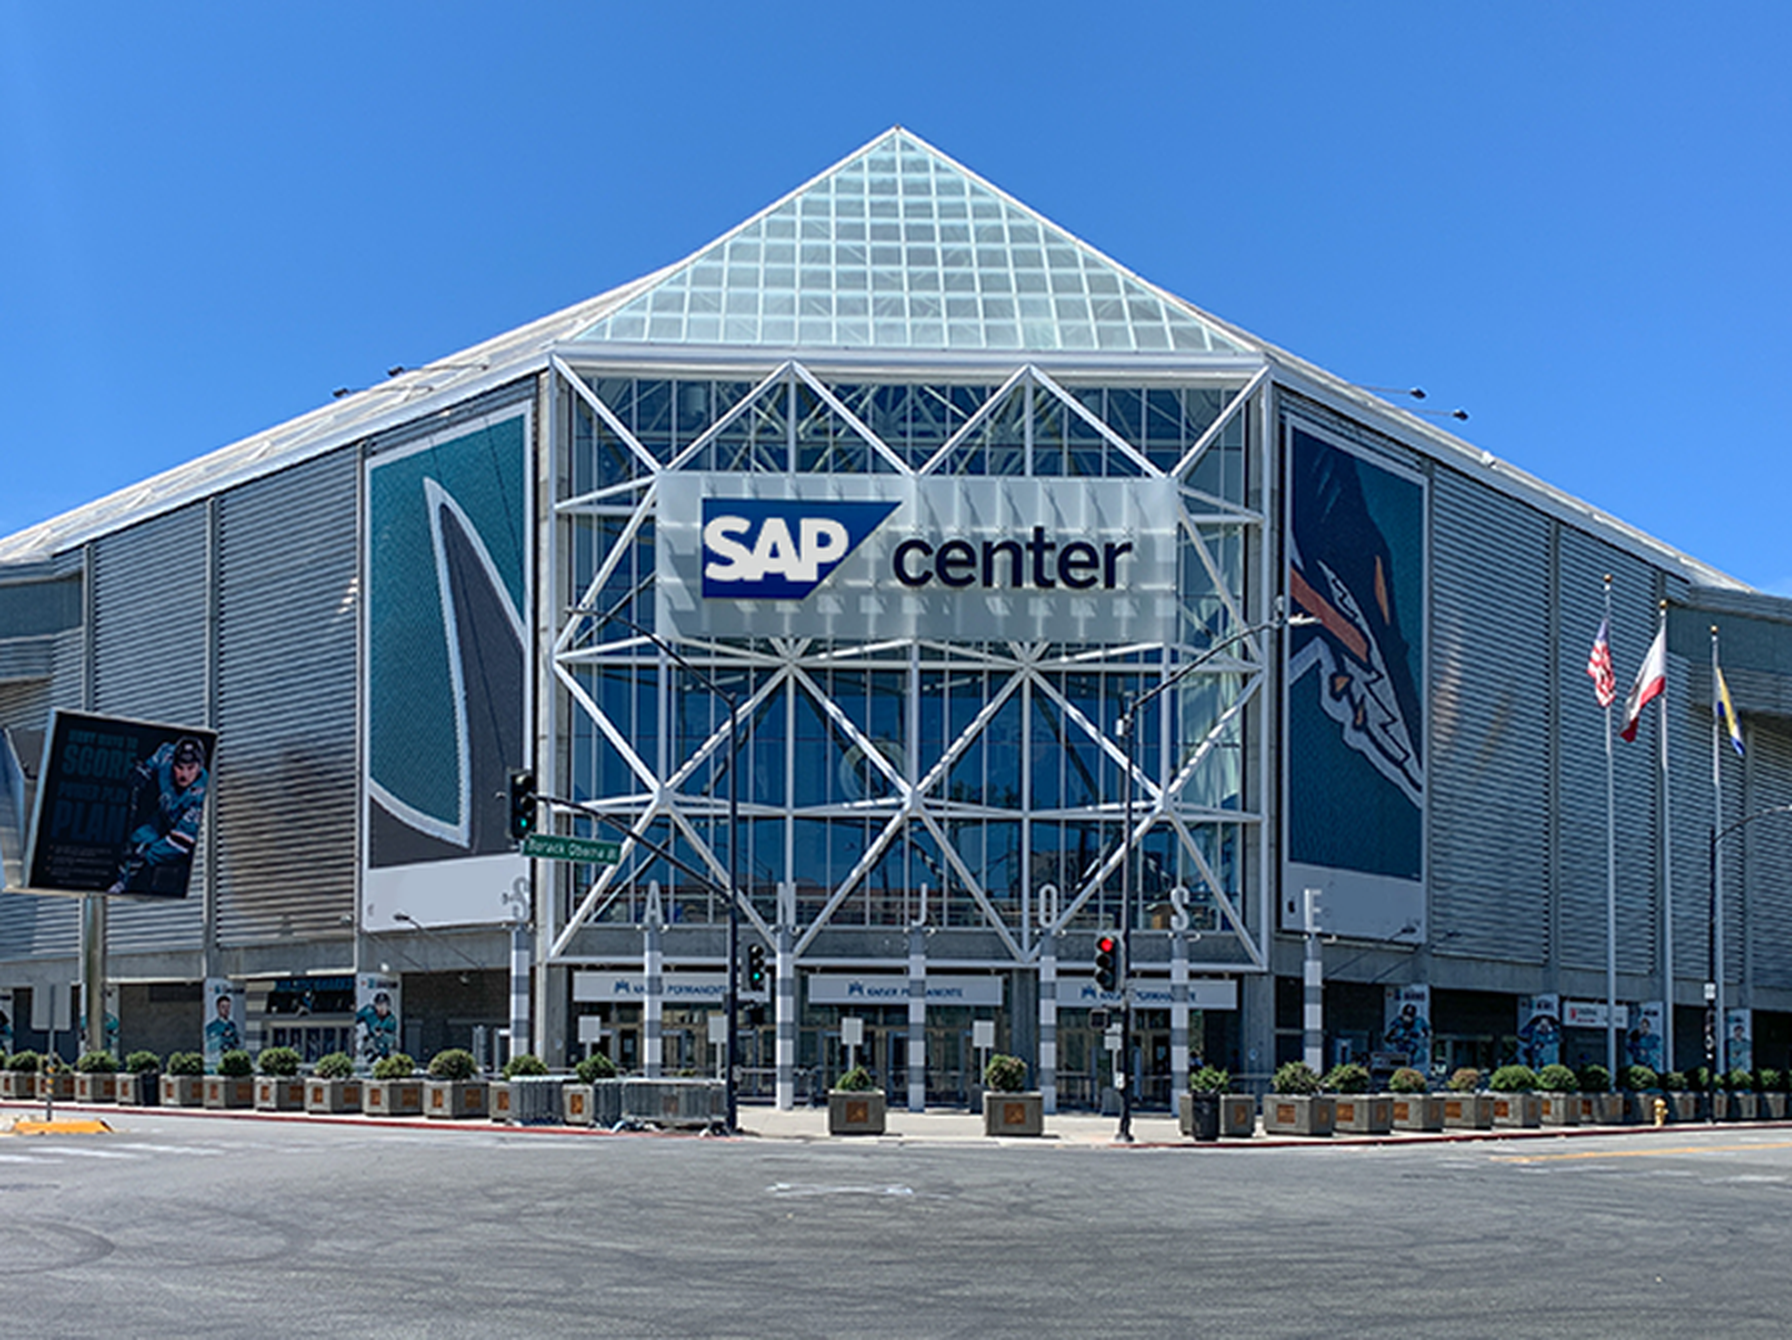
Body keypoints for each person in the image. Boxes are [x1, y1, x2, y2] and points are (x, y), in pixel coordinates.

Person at [108, 736, 208, 895]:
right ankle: (122, 882)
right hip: (163, 819)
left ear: (200, 766)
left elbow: (181, 842)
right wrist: (143, 771)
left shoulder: (201, 794)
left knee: (145, 855)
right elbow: (155, 758)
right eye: (180, 767)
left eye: (191, 768)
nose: (184, 774)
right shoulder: (166, 755)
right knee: (136, 840)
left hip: (186, 837)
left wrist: (148, 854)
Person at [356, 991, 397, 1061]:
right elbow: (355, 1019)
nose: (381, 1008)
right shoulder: (369, 1012)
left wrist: (382, 1034)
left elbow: (392, 1038)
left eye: (384, 1005)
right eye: (379, 1005)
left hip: (382, 1049)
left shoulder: (391, 1019)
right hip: (368, 1045)